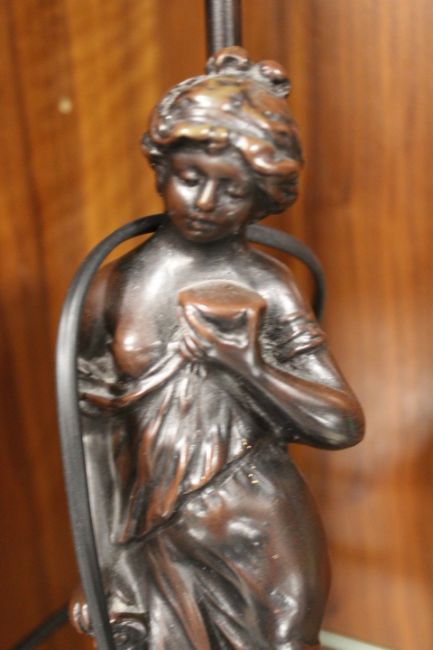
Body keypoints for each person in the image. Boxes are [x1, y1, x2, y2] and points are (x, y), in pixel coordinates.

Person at [72, 47, 364, 650]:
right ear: (161, 169)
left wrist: (249, 369)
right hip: (155, 533)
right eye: (190, 177)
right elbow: (93, 440)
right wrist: (104, 566)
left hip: (264, 527)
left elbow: (341, 424)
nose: (205, 203)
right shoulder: (113, 287)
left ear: (263, 195)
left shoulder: (268, 283)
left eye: (231, 189)